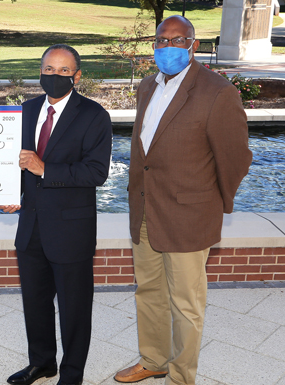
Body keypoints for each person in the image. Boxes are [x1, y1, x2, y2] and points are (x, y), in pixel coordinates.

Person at [113, 16, 252, 385]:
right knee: (149, 292)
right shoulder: (147, 86)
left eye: (178, 40)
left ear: (193, 44)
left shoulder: (218, 92)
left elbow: (236, 158)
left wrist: (210, 204)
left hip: (189, 217)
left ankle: (181, 377)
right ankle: (153, 360)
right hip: (145, 211)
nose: (169, 47)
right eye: (162, 40)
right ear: (154, 45)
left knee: (186, 305)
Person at [0, 44, 113, 385]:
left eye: (64, 71)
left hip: (70, 230)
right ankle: (42, 363)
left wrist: (45, 168)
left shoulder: (94, 115)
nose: (55, 76)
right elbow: (16, 164)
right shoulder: (26, 110)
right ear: (40, 72)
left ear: (77, 76)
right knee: (35, 302)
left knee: (74, 308)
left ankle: (72, 374)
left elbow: (96, 173)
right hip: (31, 225)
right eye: (49, 70)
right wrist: (9, 193)